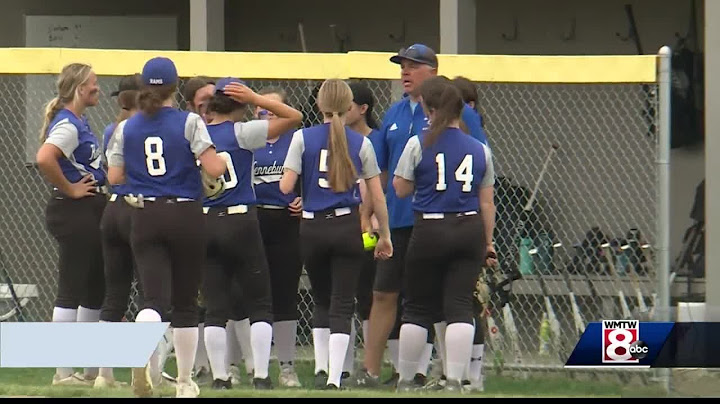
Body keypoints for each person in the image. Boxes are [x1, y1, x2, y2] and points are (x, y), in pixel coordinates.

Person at [350, 44, 488, 389]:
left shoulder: (460, 115)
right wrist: (368, 213)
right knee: (383, 293)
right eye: (402, 66)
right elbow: (379, 171)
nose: (405, 72)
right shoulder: (396, 114)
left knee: (441, 302)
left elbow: (477, 168)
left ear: (432, 71)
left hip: (437, 216)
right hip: (399, 219)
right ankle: (372, 370)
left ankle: (444, 372)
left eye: (413, 66)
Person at [106, 56, 227, 398]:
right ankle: (185, 382)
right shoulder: (189, 121)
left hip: (143, 214)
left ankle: (142, 353)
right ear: (177, 87)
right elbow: (215, 168)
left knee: (153, 299)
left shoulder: (126, 127)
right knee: (185, 303)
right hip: (185, 214)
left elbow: (114, 177)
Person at [279, 79, 393, 390]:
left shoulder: (303, 137)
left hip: (313, 226)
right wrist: (384, 234)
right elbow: (378, 195)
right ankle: (335, 377)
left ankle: (320, 368)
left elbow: (285, 186)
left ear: (319, 105)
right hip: (347, 226)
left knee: (321, 299)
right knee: (344, 302)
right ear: (348, 106)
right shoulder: (362, 142)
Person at [391, 76, 496, 392]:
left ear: (429, 108)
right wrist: (488, 243)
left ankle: (407, 379)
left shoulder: (418, 142)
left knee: (417, 308)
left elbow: (400, 188)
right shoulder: (479, 148)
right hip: (469, 228)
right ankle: (455, 379)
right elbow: (487, 201)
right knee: (459, 305)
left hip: (431, 228)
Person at [199, 78, 303, 391]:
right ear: (241, 105)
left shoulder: (196, 134)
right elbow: (294, 117)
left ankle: (220, 377)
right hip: (241, 218)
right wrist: (258, 97)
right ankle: (260, 375)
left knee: (215, 307)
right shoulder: (242, 132)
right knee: (259, 302)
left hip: (205, 220)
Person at [35, 62, 106, 387]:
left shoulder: (79, 119)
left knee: (93, 288)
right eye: (93, 84)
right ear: (79, 88)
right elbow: (45, 158)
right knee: (72, 287)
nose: (98, 89)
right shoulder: (68, 123)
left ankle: (88, 371)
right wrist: (71, 188)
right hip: (73, 211)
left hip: (87, 211)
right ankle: (62, 373)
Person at [252, 86, 304, 387]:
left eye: (274, 109)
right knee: (249, 295)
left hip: (286, 221)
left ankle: (286, 366)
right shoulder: (247, 138)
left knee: (285, 293)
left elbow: (313, 179)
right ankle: (246, 364)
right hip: (253, 219)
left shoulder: (295, 141)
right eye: (262, 109)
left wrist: (304, 199)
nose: (267, 113)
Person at [95, 73, 142, 389]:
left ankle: (104, 373)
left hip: (112, 208)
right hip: (138, 209)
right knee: (152, 294)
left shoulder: (113, 128)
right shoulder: (146, 127)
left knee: (115, 295)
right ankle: (147, 371)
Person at [452, 75, 488, 392]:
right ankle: (459, 370)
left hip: (469, 224)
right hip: (462, 226)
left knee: (469, 302)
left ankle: (473, 372)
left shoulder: (474, 141)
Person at [343, 82, 381, 377]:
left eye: (349, 103)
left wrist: (369, 221)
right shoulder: (334, 139)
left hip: (369, 228)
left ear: (363, 109)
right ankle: (341, 367)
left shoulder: (376, 141)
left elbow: (377, 188)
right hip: (341, 226)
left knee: (368, 294)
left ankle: (370, 367)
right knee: (344, 295)